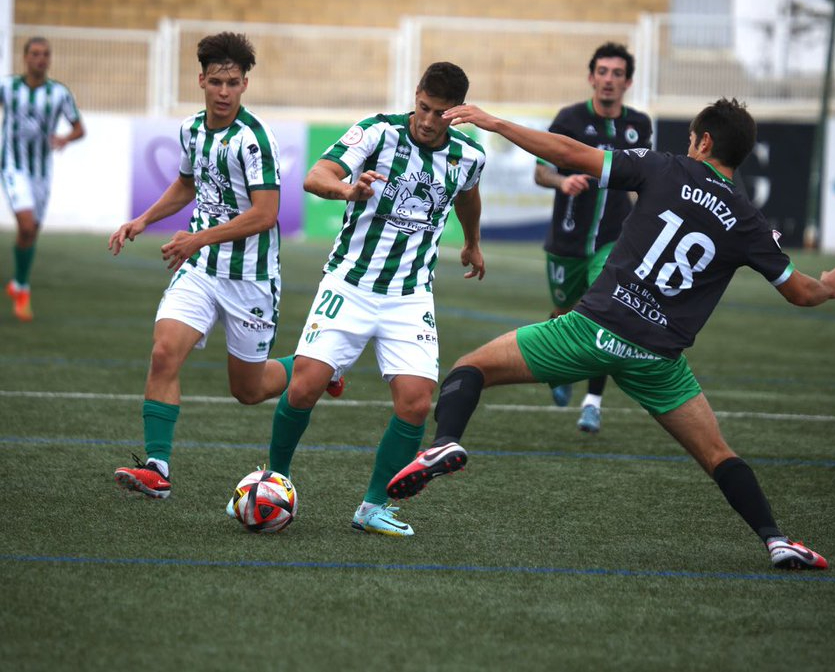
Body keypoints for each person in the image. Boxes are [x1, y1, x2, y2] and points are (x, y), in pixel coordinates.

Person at [388, 98, 835, 570]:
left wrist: (497, 123)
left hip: (592, 330)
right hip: (658, 359)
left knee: (471, 368)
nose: (687, 146)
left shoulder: (664, 169)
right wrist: (828, 288)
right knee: (717, 454)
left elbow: (568, 153)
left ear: (705, 141)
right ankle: (776, 540)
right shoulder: (749, 221)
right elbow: (800, 293)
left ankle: (445, 442)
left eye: (691, 139)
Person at [253, 61, 486, 537]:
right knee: (304, 386)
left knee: (417, 404)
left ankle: (372, 507)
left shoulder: (468, 155)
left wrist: (472, 240)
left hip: (409, 295)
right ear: (415, 95)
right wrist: (346, 189)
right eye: (423, 107)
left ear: (456, 113)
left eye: (440, 113)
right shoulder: (377, 133)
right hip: (350, 284)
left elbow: (468, 196)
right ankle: (274, 478)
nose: (427, 120)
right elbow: (316, 174)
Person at [109, 32, 297, 499]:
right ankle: (157, 468)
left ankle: (315, 368)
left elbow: (265, 214)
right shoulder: (192, 129)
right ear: (201, 80)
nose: (224, 91)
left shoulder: (255, 140)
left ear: (245, 84)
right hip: (202, 268)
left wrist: (196, 237)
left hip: (251, 278)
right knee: (163, 352)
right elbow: (186, 184)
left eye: (233, 82)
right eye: (216, 82)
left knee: (248, 391)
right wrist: (144, 219)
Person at [535, 42, 652, 433]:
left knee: (605, 315)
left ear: (627, 82)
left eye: (617, 74)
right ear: (591, 77)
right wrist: (561, 179)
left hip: (612, 242)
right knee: (565, 314)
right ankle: (562, 369)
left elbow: (644, 182)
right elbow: (540, 173)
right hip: (566, 241)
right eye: (602, 72)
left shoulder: (639, 125)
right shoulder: (568, 119)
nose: (609, 80)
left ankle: (593, 402)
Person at [1, 37, 85, 322]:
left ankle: (16, 282)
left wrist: (65, 138)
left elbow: (79, 128)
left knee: (31, 231)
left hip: (42, 171)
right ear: (25, 57)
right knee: (25, 224)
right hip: (13, 165)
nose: (41, 59)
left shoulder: (59, 93)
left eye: (45, 54)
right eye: (35, 54)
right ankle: (23, 290)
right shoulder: (8, 87)